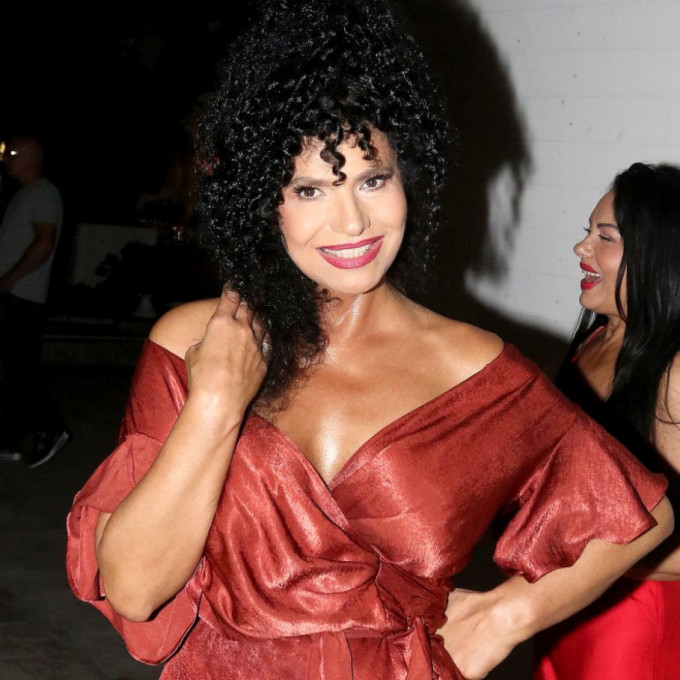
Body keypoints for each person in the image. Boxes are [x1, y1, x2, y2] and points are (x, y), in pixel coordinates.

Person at [66, 2, 673, 678]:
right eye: (309, 190)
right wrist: (215, 402)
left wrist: (509, 616)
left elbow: (642, 515)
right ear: (263, 203)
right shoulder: (191, 341)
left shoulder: (477, 371)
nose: (352, 221)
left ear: (407, 176)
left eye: (372, 180)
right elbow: (134, 588)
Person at [534, 163, 680, 680]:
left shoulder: (674, 372)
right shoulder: (595, 340)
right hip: (569, 609)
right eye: (587, 232)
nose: (582, 247)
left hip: (633, 626)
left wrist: (572, 559)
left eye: (606, 236)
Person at [0, 136, 70, 467]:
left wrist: (9, 279)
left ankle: (50, 428)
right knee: (10, 369)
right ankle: (11, 440)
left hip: (21, 296)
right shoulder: (23, 194)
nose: (6, 158)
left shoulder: (43, 192)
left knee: (18, 368)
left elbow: (44, 242)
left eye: (12, 153)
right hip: (13, 294)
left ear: (33, 156)